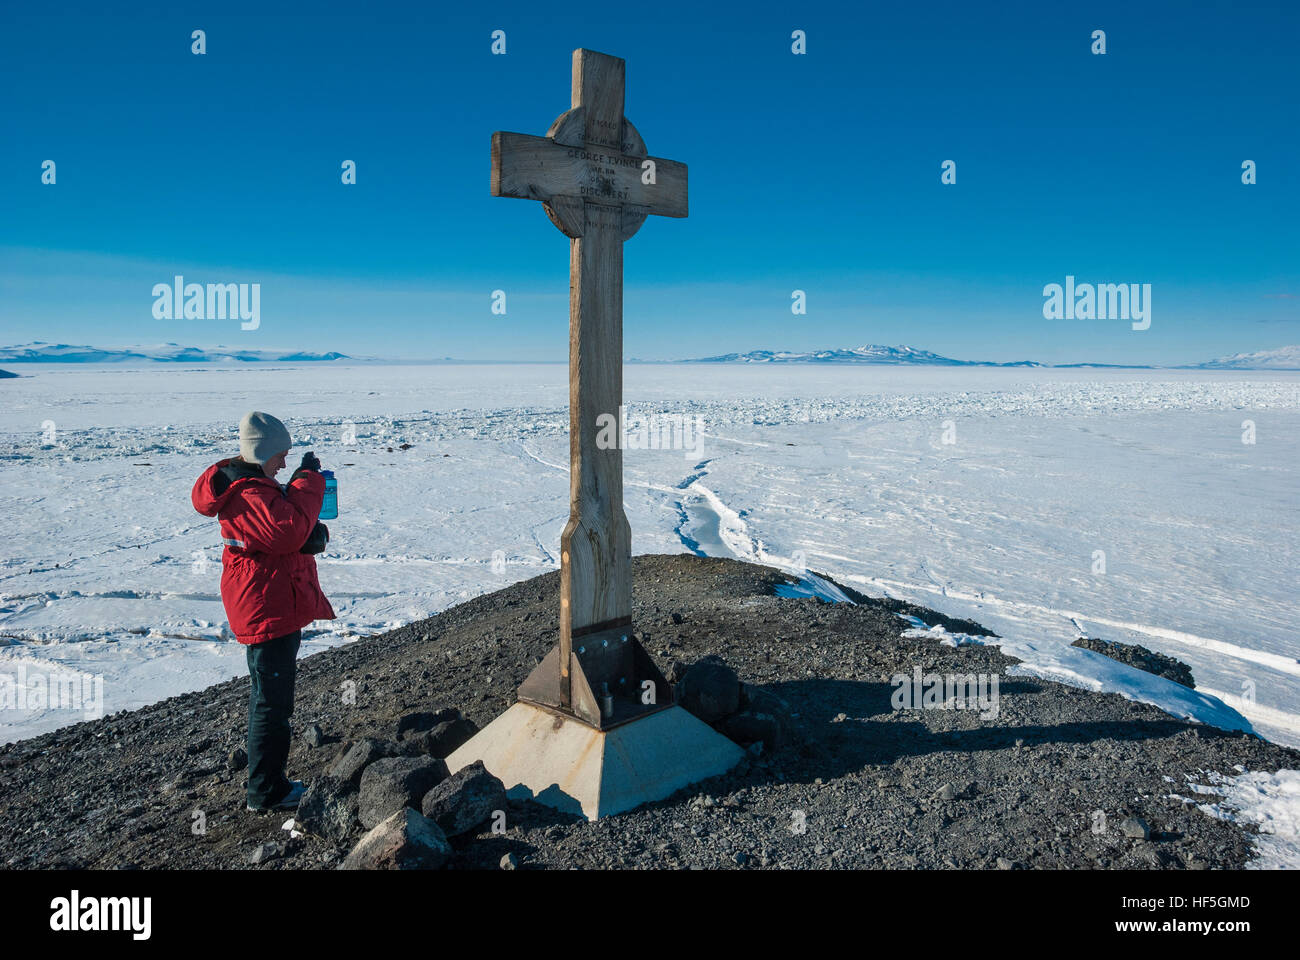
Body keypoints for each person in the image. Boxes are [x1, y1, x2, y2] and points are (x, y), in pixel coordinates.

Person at [191, 411, 336, 813]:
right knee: (271, 704)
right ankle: (266, 792)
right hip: (265, 608)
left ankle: (269, 784)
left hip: (267, 602)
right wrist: (309, 481)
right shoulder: (250, 492)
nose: (285, 464)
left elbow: (281, 535)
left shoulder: (254, 487)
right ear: (263, 452)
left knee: (270, 699)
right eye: (281, 455)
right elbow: (286, 530)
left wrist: (302, 534)